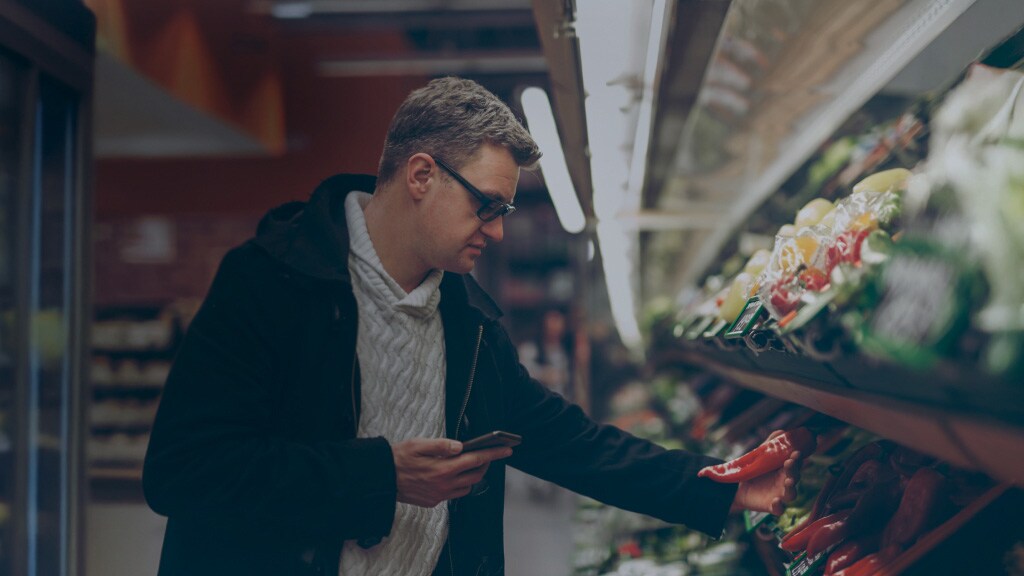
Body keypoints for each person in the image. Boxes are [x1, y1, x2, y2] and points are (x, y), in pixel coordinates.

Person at [142, 76, 804, 576]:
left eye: (506, 209)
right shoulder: (272, 283)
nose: (497, 229)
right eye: (487, 205)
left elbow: (567, 442)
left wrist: (722, 489)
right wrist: (380, 476)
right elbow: (184, 471)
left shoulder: (468, 320)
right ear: (422, 175)